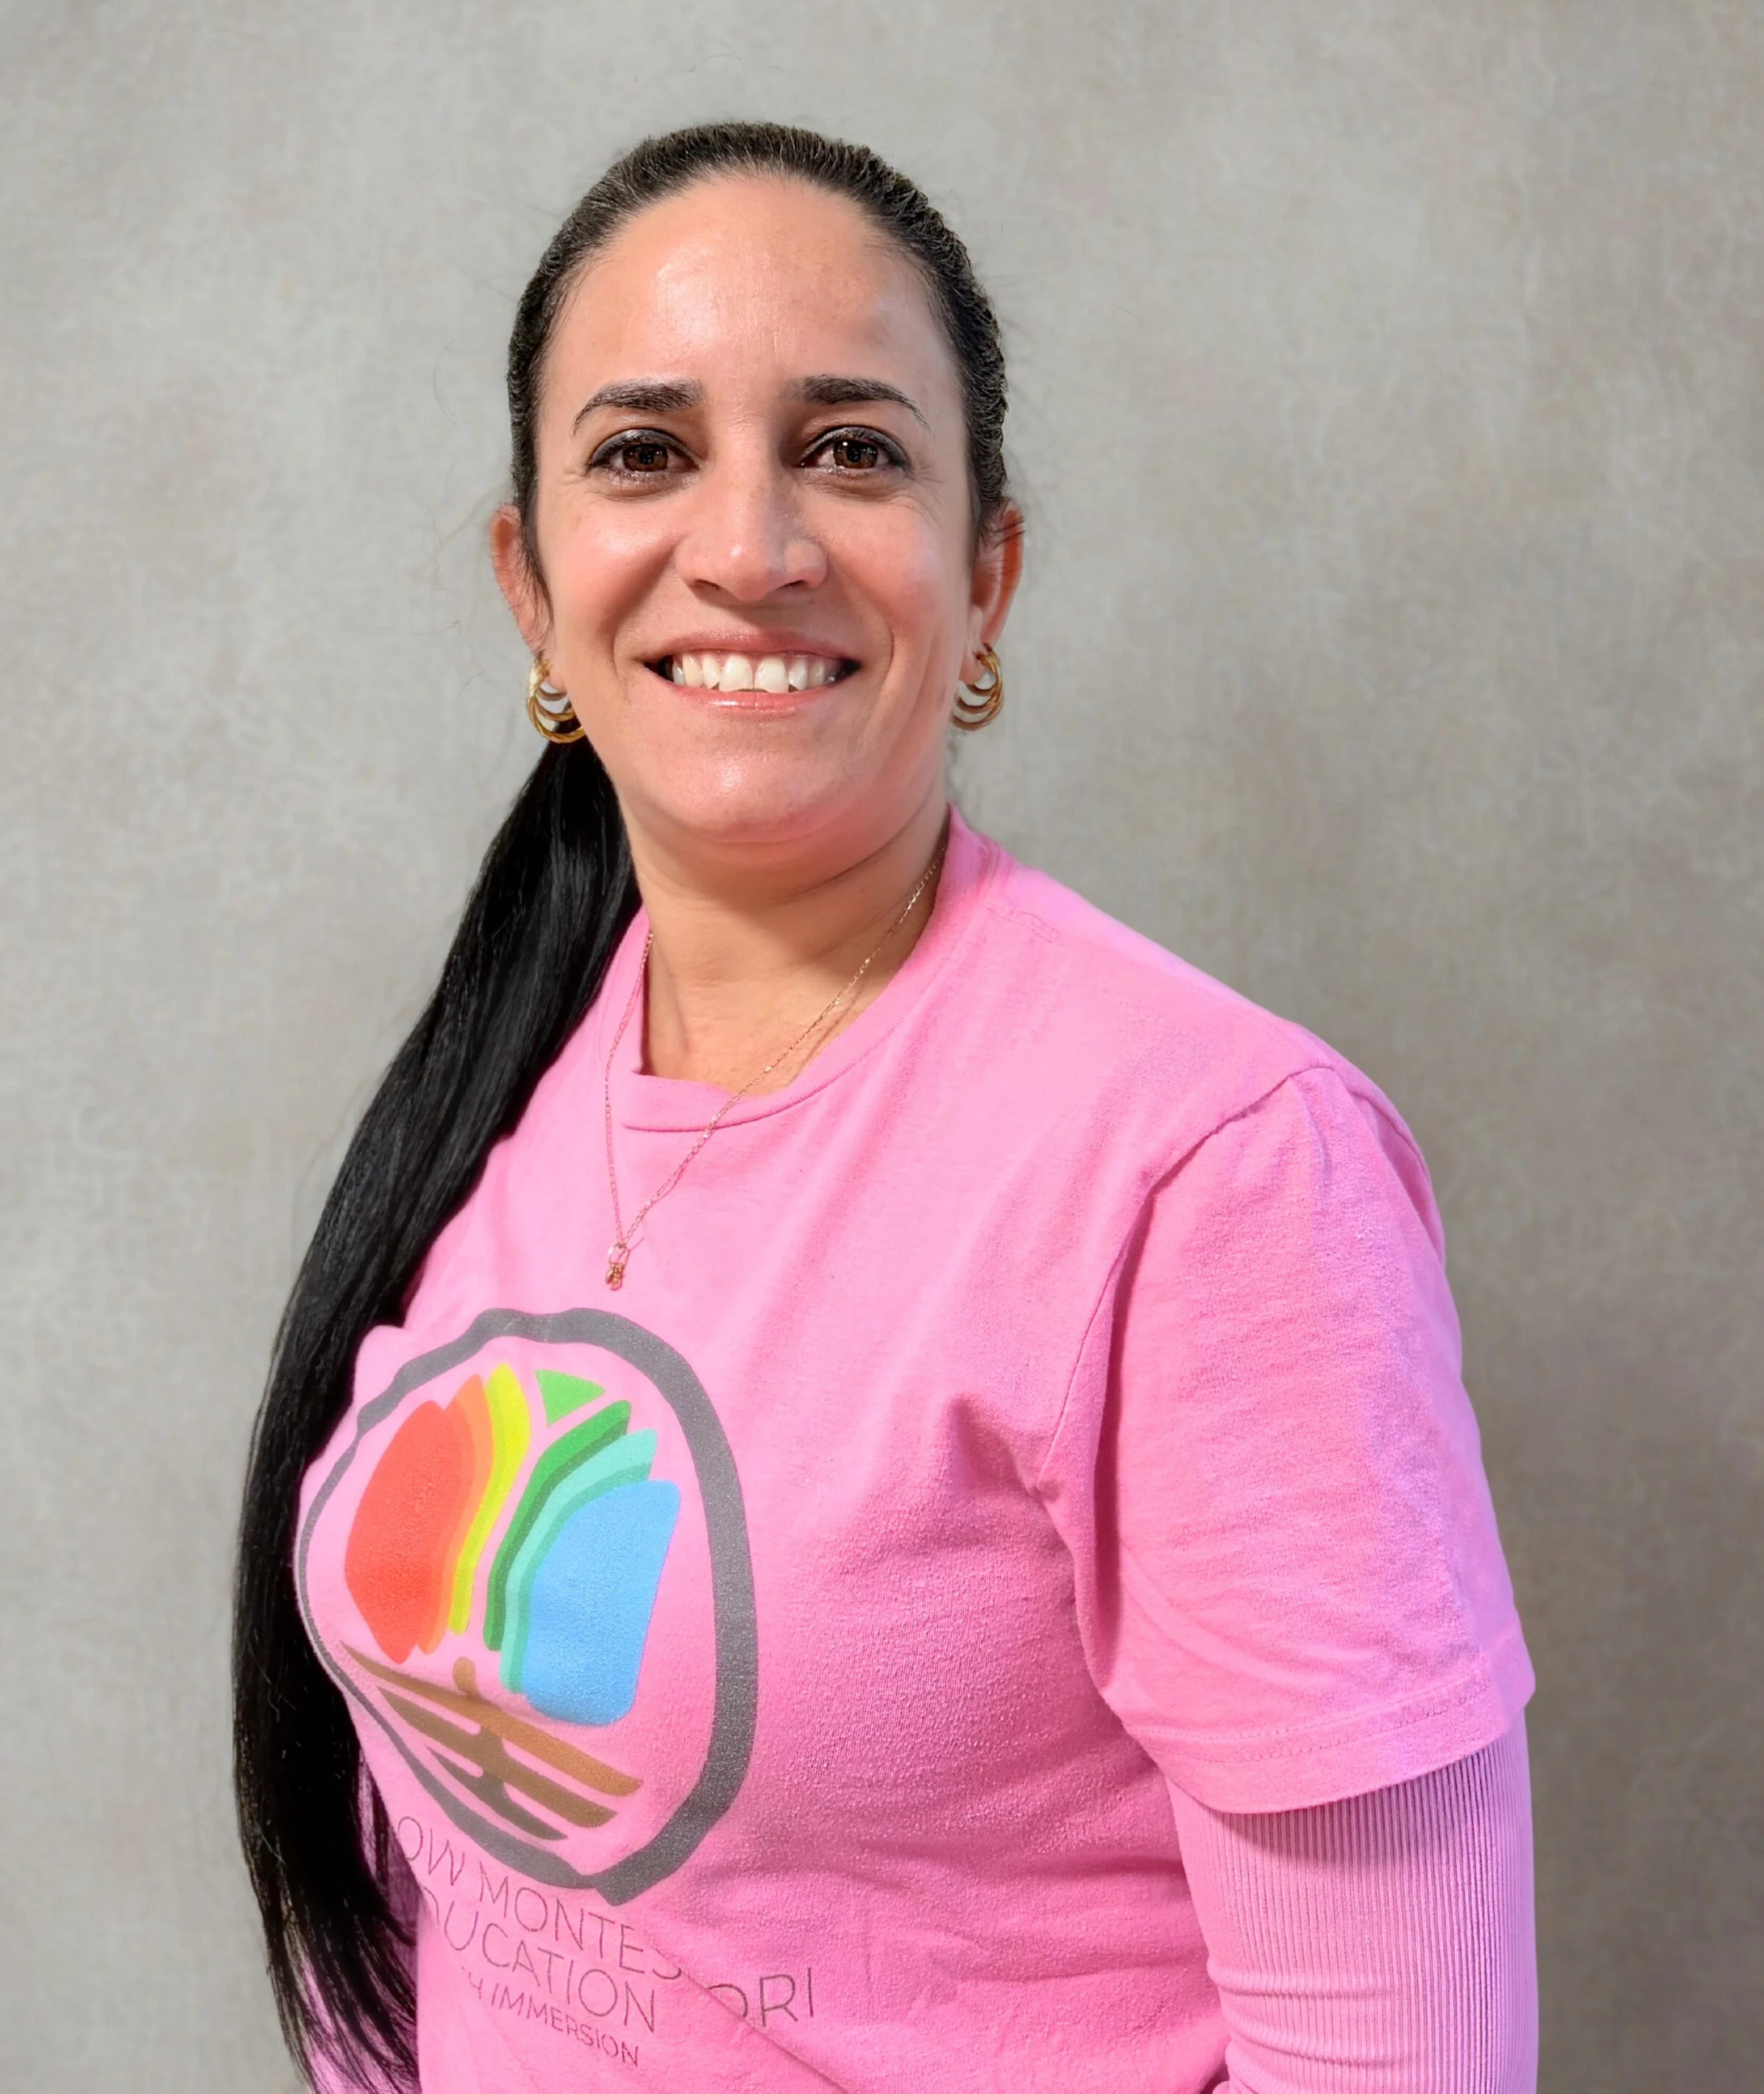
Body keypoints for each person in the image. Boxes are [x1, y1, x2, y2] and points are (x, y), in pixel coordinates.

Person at [235, 122, 1537, 2094]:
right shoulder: (509, 1073)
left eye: (850, 450)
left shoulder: (1213, 1167)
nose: (748, 545)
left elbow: (1394, 2055)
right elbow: (425, 1889)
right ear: (530, 584)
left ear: (985, 570)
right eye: (643, 453)